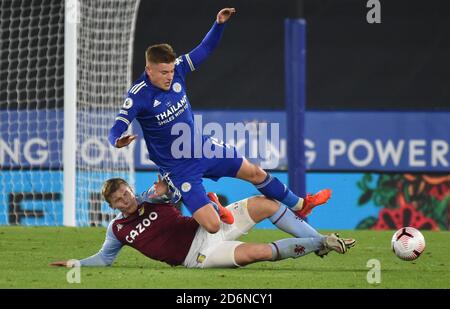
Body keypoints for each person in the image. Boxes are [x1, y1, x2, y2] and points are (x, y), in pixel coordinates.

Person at [108, 7, 331, 234]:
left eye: (171, 71)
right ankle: (209, 202)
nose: (169, 76)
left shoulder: (179, 69)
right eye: (164, 72)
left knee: (255, 172)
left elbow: (205, 49)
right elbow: (117, 125)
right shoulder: (138, 95)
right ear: (149, 70)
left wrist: (219, 24)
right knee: (213, 226)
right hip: (178, 167)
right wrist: (117, 140)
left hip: (202, 147)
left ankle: (301, 205)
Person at [50, 178, 355, 269]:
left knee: (266, 204)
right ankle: (321, 243)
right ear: (112, 206)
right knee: (257, 253)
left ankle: (323, 240)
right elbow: (104, 258)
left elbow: (170, 190)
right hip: (198, 256)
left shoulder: (150, 199)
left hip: (209, 225)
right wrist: (76, 262)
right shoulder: (117, 229)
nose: (126, 201)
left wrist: (166, 189)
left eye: (126, 193)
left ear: (131, 190)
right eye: (119, 200)